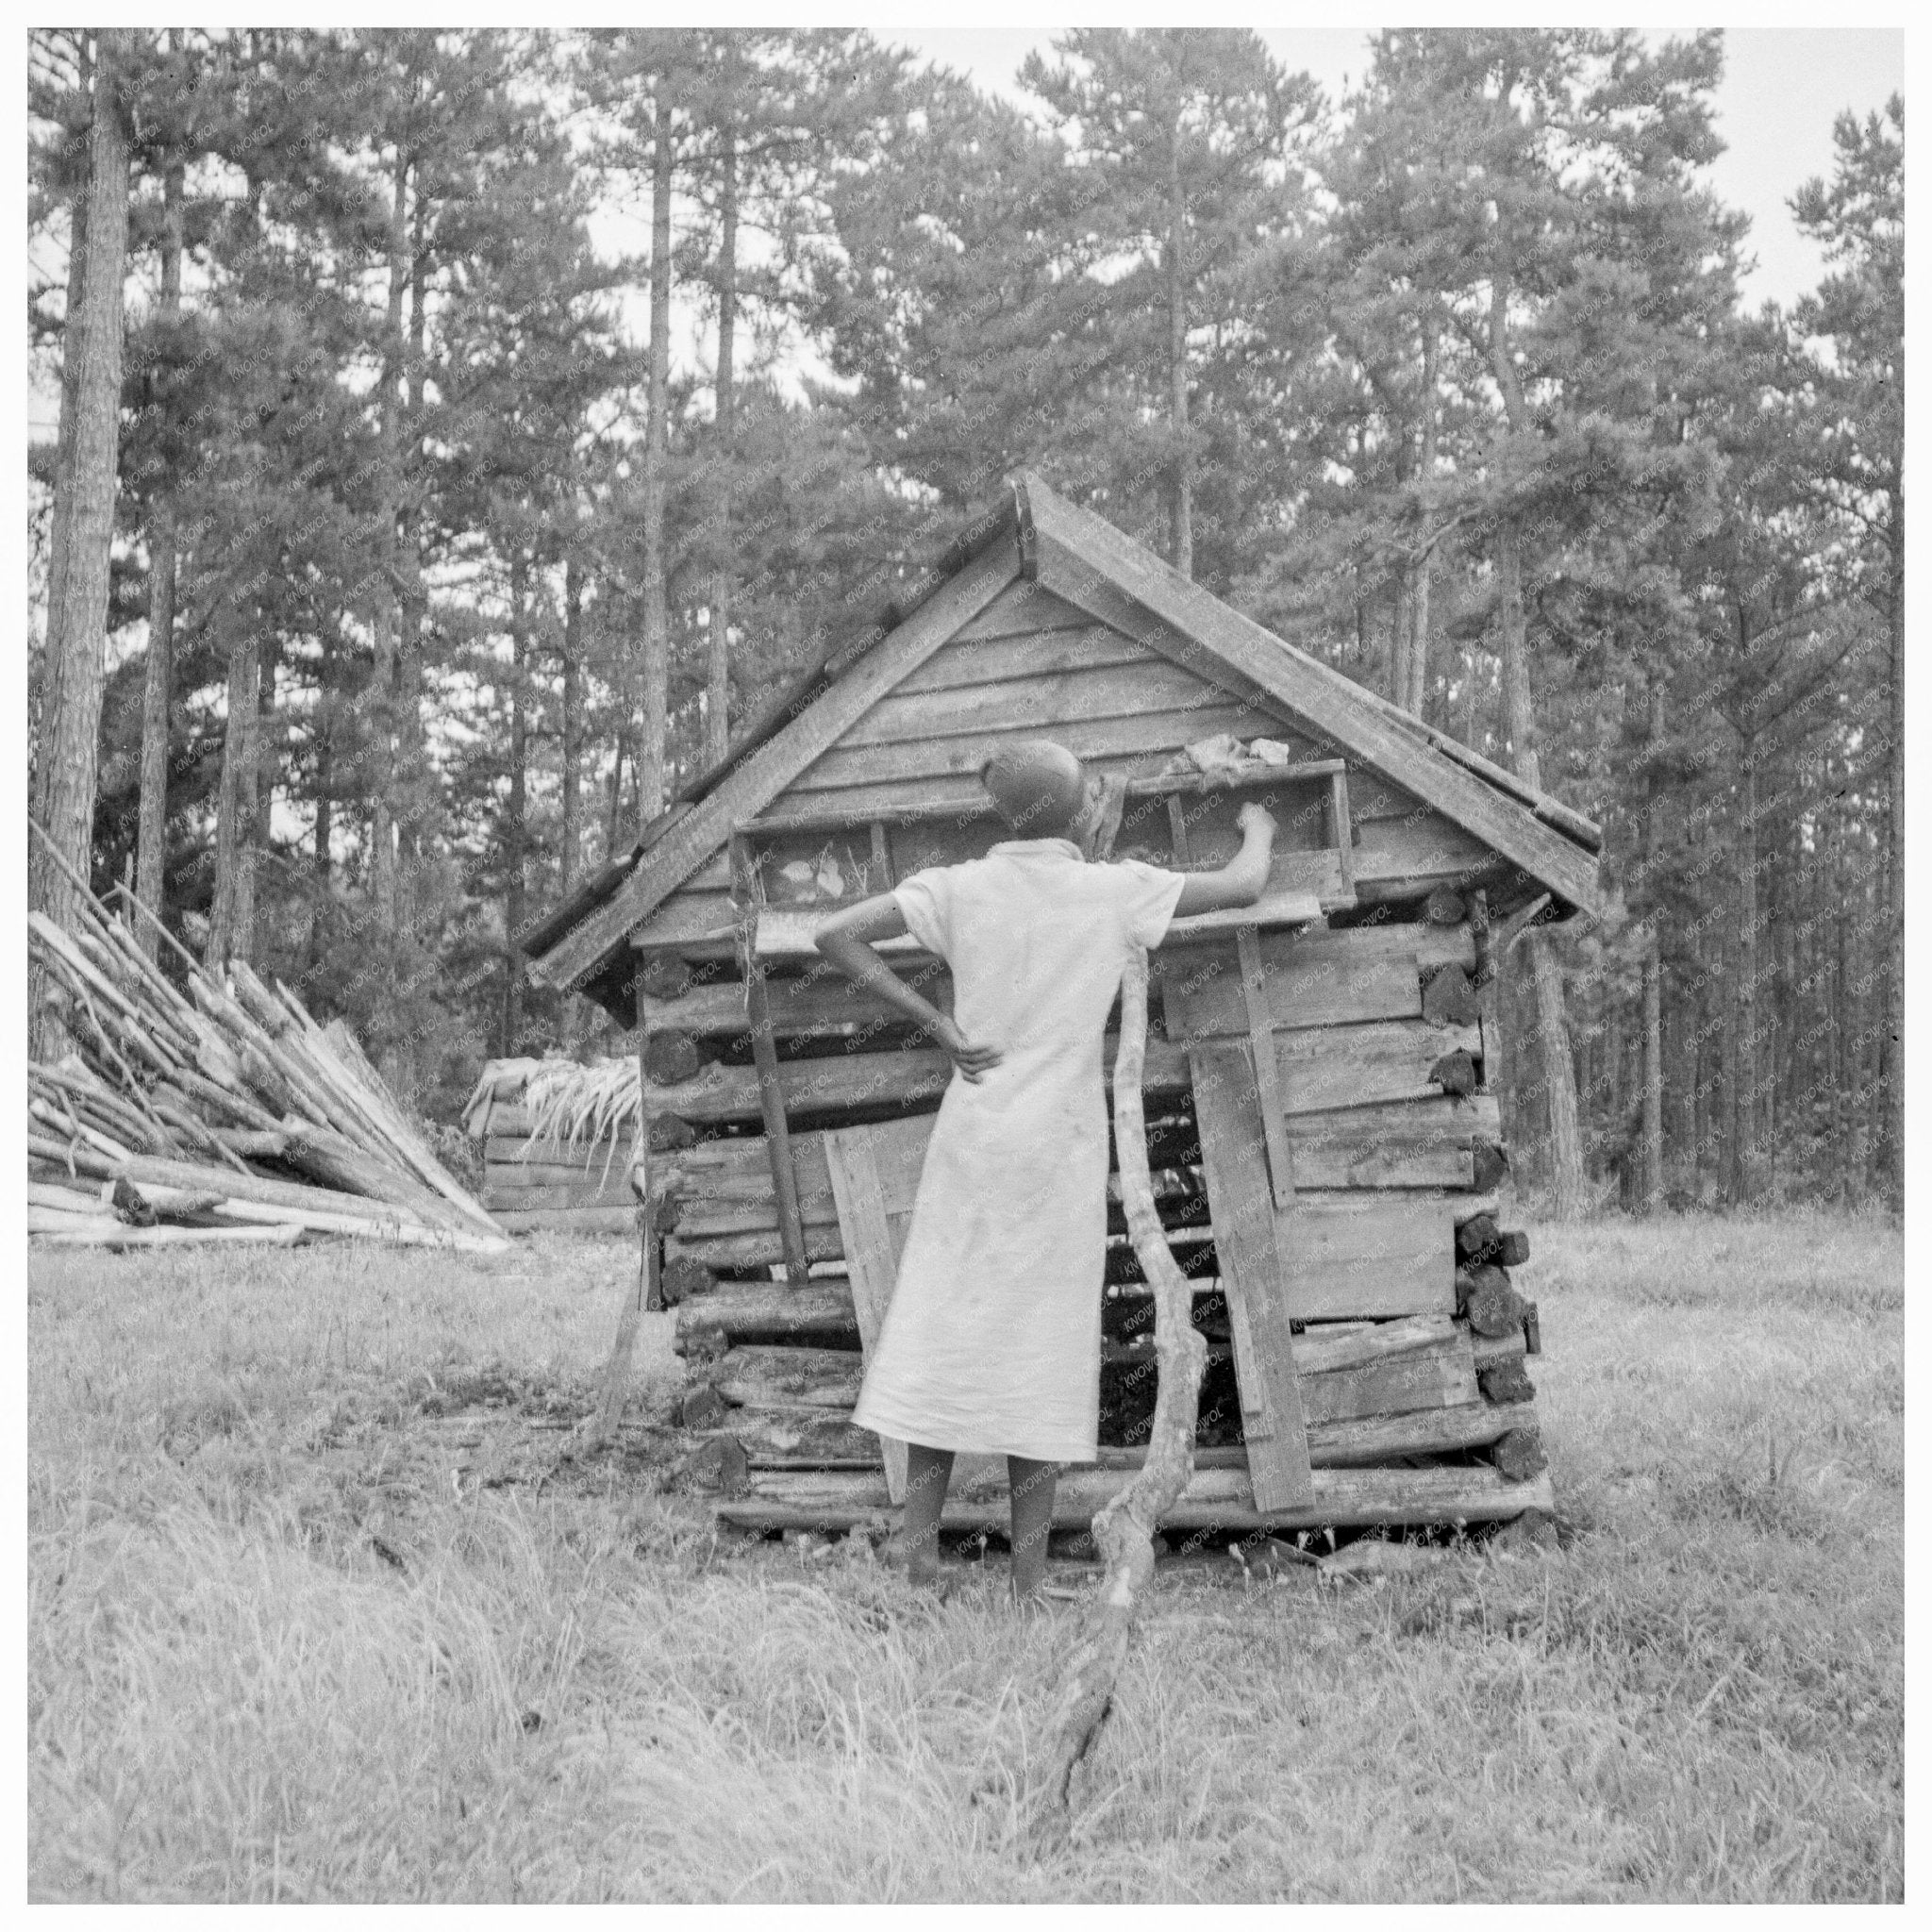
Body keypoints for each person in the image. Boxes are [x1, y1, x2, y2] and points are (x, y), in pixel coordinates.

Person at [813, 740, 1277, 1600]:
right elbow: (1246, 883)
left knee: (940, 1334)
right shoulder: (1112, 890)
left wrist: (938, 1022)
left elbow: (833, 934)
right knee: (1043, 1346)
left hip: (973, 1143)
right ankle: (1026, 1581)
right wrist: (1258, 820)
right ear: (1077, 815)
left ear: (1005, 814)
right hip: (1058, 1152)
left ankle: (919, 1550)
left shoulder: (958, 887)